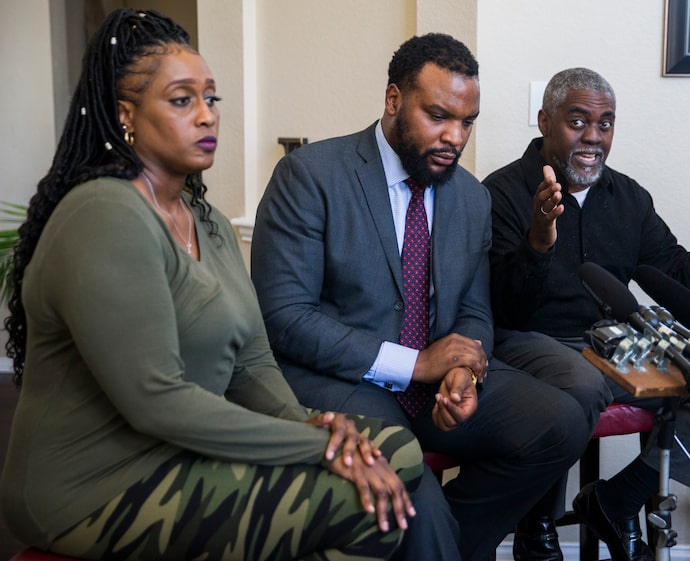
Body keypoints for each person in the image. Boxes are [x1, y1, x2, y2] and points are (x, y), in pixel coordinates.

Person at [0, 9, 422, 561]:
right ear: (125, 114)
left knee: (397, 449)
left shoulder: (210, 223)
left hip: (179, 452)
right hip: (95, 485)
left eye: (211, 98)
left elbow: (251, 364)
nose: (206, 116)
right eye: (182, 100)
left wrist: (310, 422)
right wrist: (317, 446)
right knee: (366, 505)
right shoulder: (103, 213)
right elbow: (157, 402)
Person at [250, 33, 589, 561]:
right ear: (393, 100)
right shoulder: (310, 176)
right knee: (417, 505)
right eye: (438, 116)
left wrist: (465, 371)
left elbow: (475, 310)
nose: (455, 137)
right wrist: (416, 364)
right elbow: (285, 318)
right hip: (345, 381)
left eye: (467, 122)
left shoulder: (471, 197)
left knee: (562, 422)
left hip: (436, 389)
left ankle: (439, 546)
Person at [483, 67, 690, 561]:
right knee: (581, 384)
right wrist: (538, 241)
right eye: (578, 121)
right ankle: (537, 520)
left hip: (613, 342)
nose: (594, 136)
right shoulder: (502, 191)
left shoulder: (628, 198)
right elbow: (505, 305)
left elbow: (678, 281)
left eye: (606, 123)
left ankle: (618, 500)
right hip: (531, 343)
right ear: (544, 121)